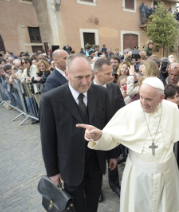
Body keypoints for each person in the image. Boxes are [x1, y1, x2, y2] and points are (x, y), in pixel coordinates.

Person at [77, 77, 179, 212]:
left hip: (167, 172)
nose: (143, 103)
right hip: (139, 174)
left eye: (149, 99)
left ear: (161, 97)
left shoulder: (171, 108)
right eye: (141, 97)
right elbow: (112, 137)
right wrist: (99, 136)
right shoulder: (129, 110)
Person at [40, 54, 119, 212]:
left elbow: (110, 125)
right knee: (76, 206)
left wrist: (113, 154)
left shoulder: (101, 93)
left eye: (88, 76)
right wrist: (53, 172)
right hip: (69, 166)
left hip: (96, 162)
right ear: (67, 75)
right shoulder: (51, 99)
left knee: (92, 202)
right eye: (79, 77)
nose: (85, 82)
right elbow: (47, 139)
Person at [93, 58, 125, 201]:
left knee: (113, 159)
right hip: (96, 134)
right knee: (96, 163)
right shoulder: (89, 89)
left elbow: (121, 106)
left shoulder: (113, 87)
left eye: (112, 72)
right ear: (96, 73)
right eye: (107, 73)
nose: (111, 76)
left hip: (112, 132)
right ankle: (97, 188)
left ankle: (115, 184)